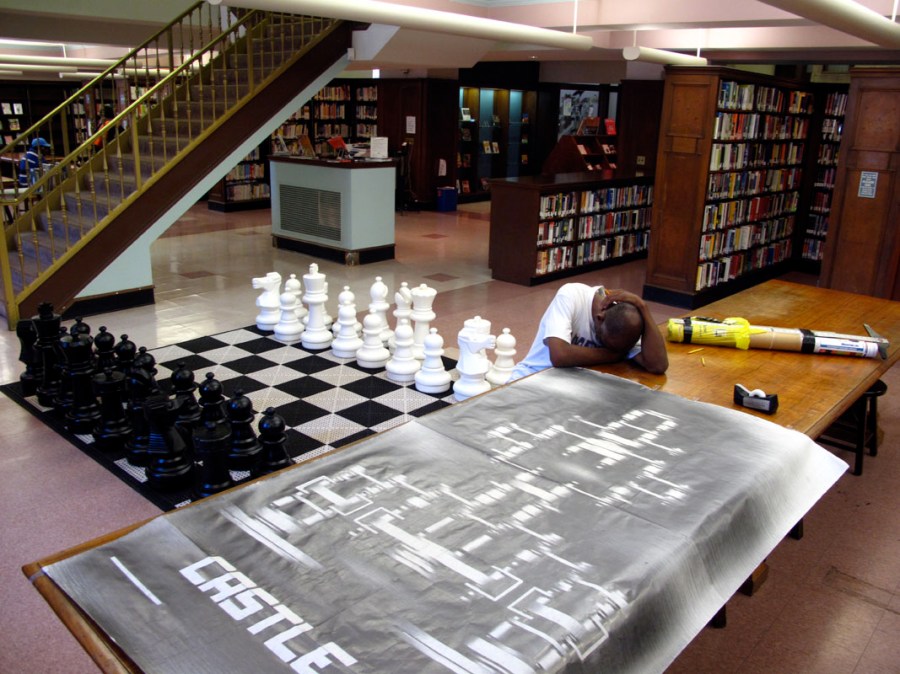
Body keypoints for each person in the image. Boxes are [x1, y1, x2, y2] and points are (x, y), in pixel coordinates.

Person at [509, 282, 669, 381]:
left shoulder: (626, 325)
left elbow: (658, 365)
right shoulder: (571, 295)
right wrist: (614, 355)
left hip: (572, 387)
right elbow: (559, 355)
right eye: (607, 344)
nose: (613, 349)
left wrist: (643, 307)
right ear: (600, 318)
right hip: (532, 376)